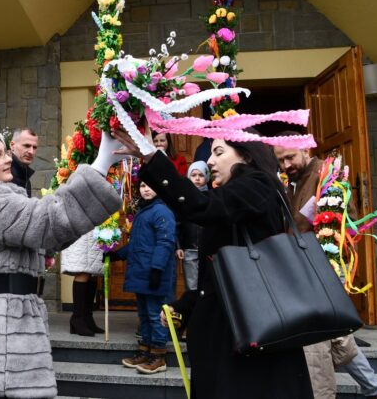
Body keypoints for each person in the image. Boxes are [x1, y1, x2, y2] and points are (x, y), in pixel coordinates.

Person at [114, 127, 314, 398]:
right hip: (235, 329)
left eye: (219, 152)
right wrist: (187, 305)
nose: (209, 162)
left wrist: (153, 157)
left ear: (246, 156)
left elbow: (199, 205)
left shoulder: (256, 184)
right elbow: (224, 273)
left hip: (248, 336)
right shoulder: (237, 195)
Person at [0, 130, 122, 397]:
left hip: (4, 323)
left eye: (5, 151)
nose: (7, 159)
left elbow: (49, 236)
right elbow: (48, 221)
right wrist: (100, 165)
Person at [274, 134, 377, 399]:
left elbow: (344, 224)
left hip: (323, 272)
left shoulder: (328, 175)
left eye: (290, 157)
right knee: (338, 337)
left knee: (315, 344)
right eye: (280, 160)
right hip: (300, 271)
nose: (286, 165)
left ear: (306, 148)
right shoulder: (289, 182)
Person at [113, 182, 176, 374]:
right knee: (144, 315)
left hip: (154, 274)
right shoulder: (144, 211)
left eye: (151, 185)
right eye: (142, 185)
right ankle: (146, 350)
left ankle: (159, 356)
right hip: (141, 273)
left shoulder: (162, 212)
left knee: (156, 315)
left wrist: (157, 269)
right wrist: (117, 254)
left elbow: (165, 242)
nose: (146, 189)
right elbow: (138, 243)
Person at [60, 231, 105, 336]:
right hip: (83, 233)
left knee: (93, 273)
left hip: (96, 233)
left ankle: (87, 317)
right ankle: (77, 317)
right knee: (83, 271)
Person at [175, 161, 209, 291]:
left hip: (207, 249)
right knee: (192, 285)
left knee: (206, 284)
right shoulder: (184, 199)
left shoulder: (211, 197)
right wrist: (179, 246)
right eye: (194, 175)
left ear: (206, 177)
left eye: (201, 175)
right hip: (190, 249)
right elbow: (178, 224)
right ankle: (192, 309)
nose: (197, 178)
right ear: (189, 177)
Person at [9, 128, 38, 197]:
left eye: (34, 147)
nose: (31, 152)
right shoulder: (5, 174)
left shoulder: (25, 177)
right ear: (12, 145)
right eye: (26, 146)